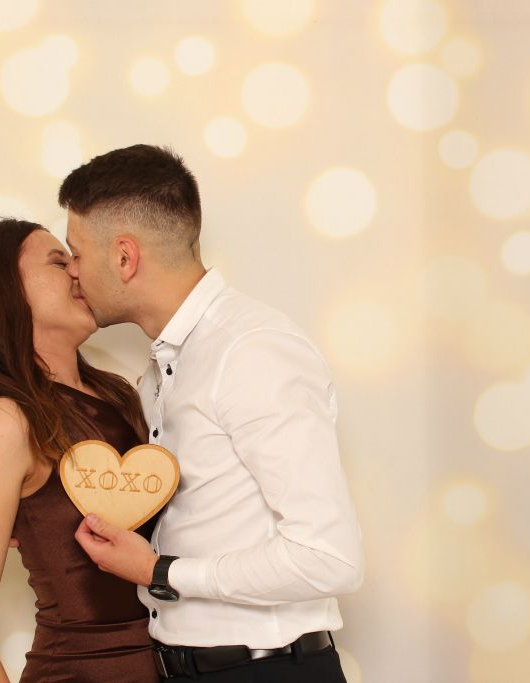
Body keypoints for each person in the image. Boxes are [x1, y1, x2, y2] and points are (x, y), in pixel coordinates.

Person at [58, 144, 364, 682]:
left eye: (76, 253)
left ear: (125, 257)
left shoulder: (251, 351)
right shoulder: (164, 365)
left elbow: (329, 558)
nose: (72, 273)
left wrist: (162, 572)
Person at [0, 219, 160, 682]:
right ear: (2, 292)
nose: (77, 271)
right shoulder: (7, 421)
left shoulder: (119, 396)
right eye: (58, 262)